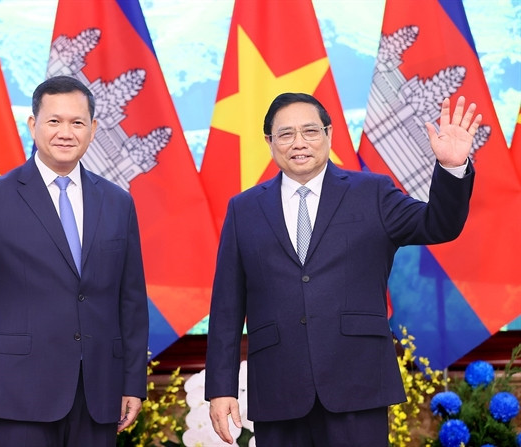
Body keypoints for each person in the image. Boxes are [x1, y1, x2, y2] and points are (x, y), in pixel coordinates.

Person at [204, 92, 481, 446]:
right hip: (278, 389)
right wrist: (221, 388)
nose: (299, 143)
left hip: (358, 384)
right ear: (270, 143)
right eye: (286, 134)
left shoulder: (372, 192)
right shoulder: (244, 209)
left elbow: (438, 224)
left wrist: (452, 169)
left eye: (310, 131)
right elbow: (226, 307)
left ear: (329, 134)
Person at [0, 75, 149, 447]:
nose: (65, 132)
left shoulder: (117, 202)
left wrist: (132, 383)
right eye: (54, 121)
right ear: (33, 125)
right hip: (20, 391)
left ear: (92, 130)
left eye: (77, 123)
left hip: (98, 393)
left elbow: (132, 301)